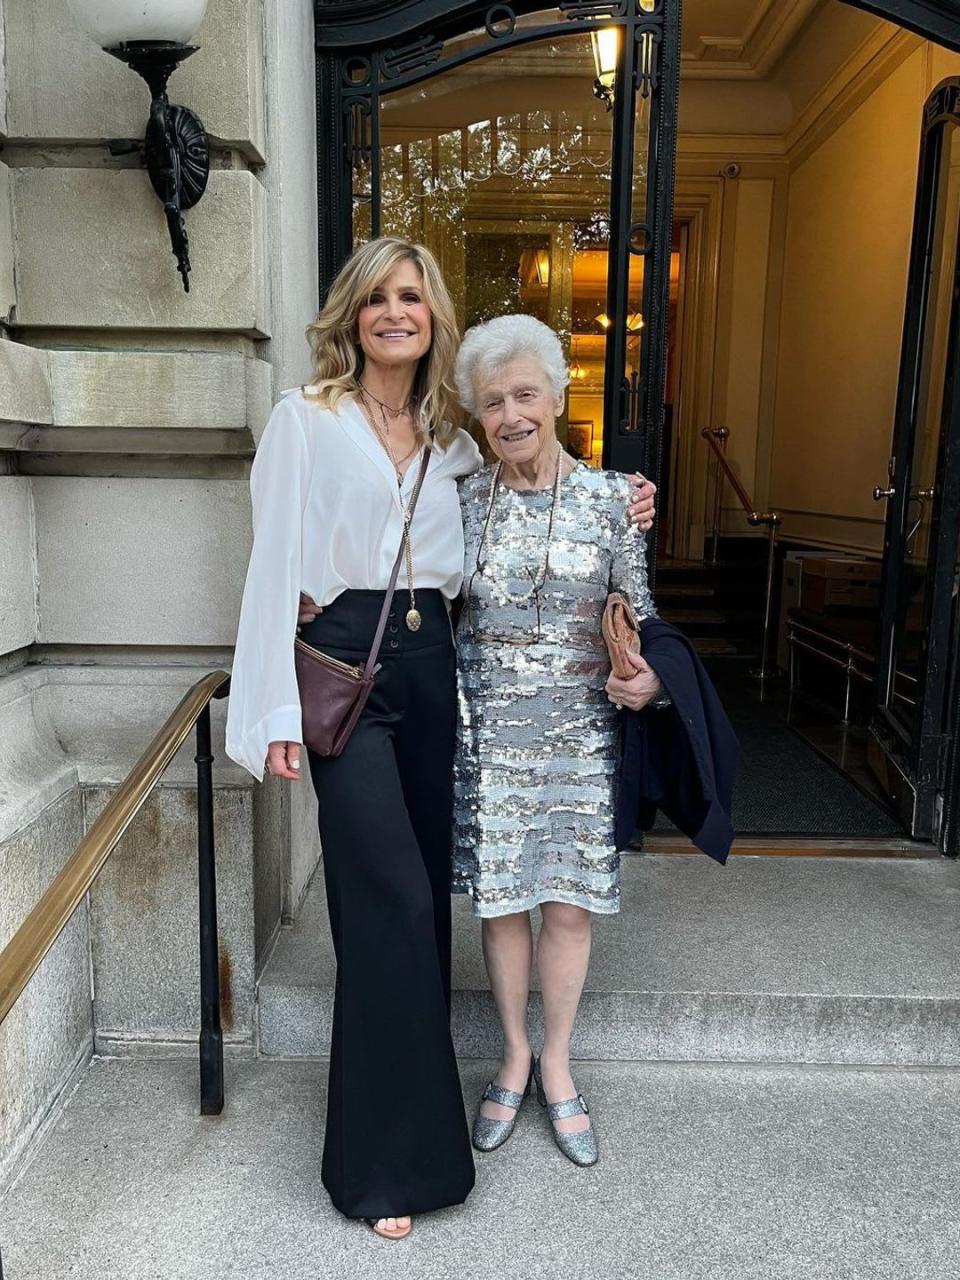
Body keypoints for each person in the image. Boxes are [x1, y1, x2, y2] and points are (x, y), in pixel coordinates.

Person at [226, 237, 659, 1236]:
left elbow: (538, 497)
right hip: (345, 666)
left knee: (423, 914)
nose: (394, 312)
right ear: (353, 314)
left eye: (412, 295)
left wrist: (623, 495)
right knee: (390, 902)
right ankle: (384, 1169)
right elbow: (269, 570)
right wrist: (270, 710)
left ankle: (422, 1133)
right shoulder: (306, 419)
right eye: (377, 296)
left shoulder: (456, 443)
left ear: (433, 317)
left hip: (435, 678)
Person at [451, 314, 668, 1167]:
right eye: (492, 401)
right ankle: (511, 1057)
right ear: (477, 414)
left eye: (524, 394)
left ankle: (558, 1063)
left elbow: (641, 613)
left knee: (568, 906)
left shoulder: (617, 499)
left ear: (557, 393)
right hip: (490, 738)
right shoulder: (461, 499)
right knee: (503, 905)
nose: (510, 415)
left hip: (582, 735)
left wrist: (648, 679)